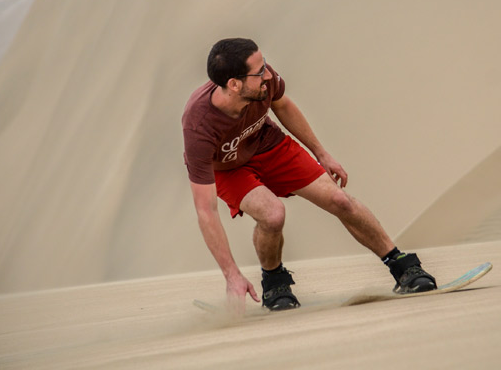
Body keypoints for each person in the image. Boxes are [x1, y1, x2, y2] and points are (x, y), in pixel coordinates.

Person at [182, 38, 436, 311]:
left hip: (268, 145)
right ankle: (274, 282)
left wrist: (321, 153)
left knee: (340, 201)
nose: (268, 74)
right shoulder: (199, 126)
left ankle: (400, 265)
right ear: (234, 84)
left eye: (265, 64)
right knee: (272, 215)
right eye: (259, 72)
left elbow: (283, 105)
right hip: (229, 170)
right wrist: (231, 275)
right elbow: (205, 211)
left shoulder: (262, 83)